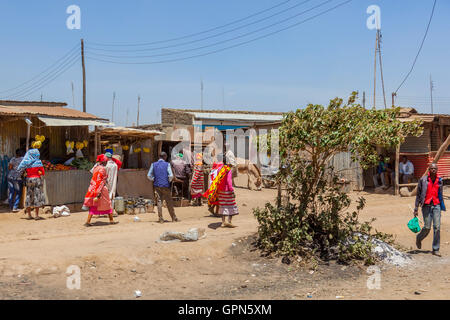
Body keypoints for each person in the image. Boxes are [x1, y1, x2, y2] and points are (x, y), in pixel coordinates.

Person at [414, 163, 446, 257]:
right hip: (426, 206)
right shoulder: (423, 180)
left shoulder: (440, 181)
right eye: (431, 168)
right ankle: (419, 238)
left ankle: (435, 249)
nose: (433, 170)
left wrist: (442, 204)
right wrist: (416, 208)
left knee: (437, 227)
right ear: (429, 170)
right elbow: (418, 195)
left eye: (435, 169)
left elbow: (440, 193)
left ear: (437, 170)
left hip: (437, 205)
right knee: (427, 227)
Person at [83, 154, 118, 227]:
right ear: (104, 162)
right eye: (105, 161)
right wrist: (99, 191)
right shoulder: (103, 169)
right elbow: (102, 180)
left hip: (94, 188)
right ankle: (111, 220)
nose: (106, 162)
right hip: (101, 189)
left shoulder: (96, 168)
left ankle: (88, 221)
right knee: (107, 204)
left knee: (94, 205)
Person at [203, 163, 239, 227]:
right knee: (231, 205)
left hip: (220, 190)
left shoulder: (220, 169)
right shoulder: (228, 170)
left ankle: (223, 222)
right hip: (227, 190)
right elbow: (229, 181)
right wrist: (232, 190)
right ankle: (229, 221)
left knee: (222, 206)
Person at [17, 142, 46, 220]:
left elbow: (22, 169)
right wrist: (39, 172)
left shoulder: (27, 162)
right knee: (37, 196)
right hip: (37, 180)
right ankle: (36, 215)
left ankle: (29, 215)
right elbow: (42, 172)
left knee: (29, 196)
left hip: (29, 180)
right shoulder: (38, 162)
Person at [148, 152, 179, 223]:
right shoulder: (167, 164)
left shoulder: (153, 164)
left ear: (159, 157)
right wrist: (167, 181)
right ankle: (174, 218)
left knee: (159, 201)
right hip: (165, 186)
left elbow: (149, 175)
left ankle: (161, 218)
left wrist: (154, 179)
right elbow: (171, 176)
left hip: (157, 185)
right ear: (165, 157)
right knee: (169, 202)